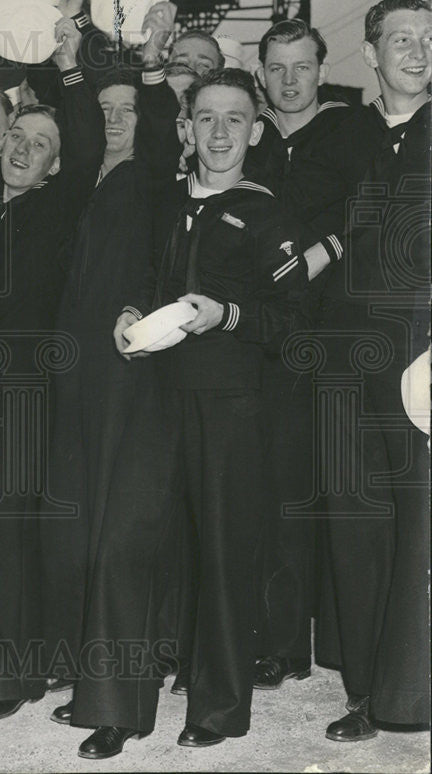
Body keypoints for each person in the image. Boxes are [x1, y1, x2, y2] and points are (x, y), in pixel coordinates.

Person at [72, 68, 306, 760]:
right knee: (123, 545)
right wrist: (128, 312)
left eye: (236, 118)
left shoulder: (268, 212)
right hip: (153, 397)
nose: (221, 132)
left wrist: (224, 314)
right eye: (206, 118)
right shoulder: (164, 201)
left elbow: (292, 325)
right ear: (186, 128)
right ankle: (116, 706)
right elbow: (147, 278)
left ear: (255, 131)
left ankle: (218, 707)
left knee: (223, 555)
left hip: (230, 405)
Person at [0, 17, 103, 723]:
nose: (24, 152)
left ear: (54, 167)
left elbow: (89, 143)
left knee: (7, 531)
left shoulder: (56, 207)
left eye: (41, 147)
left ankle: (3, 683)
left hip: (25, 393)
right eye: (18, 138)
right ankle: (16, 663)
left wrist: (69, 70)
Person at [42, 1, 190, 726]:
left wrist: (155, 66)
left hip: (134, 368)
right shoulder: (83, 185)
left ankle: (118, 705)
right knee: (81, 529)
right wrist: (70, 64)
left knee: (121, 534)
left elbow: (157, 131)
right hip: (78, 378)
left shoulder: (156, 179)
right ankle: (86, 679)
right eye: (106, 110)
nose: (116, 119)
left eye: (128, 108)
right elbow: (75, 128)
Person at [308, 0, 431, 742]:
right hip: (347, 358)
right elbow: (298, 234)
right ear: (372, 54)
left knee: (421, 527)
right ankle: (363, 690)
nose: (418, 51)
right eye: (403, 39)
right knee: (357, 524)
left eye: (429, 38)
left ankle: (411, 694)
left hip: (421, 352)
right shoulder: (338, 134)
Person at [245, 18, 354, 693]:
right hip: (260, 339)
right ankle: (276, 643)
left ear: (321, 68)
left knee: (329, 493)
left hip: (334, 337)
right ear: (262, 73)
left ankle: (329, 644)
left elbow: (379, 202)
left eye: (302, 67)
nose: (290, 81)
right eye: (278, 68)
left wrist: (330, 249)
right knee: (270, 489)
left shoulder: (350, 133)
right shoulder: (250, 143)